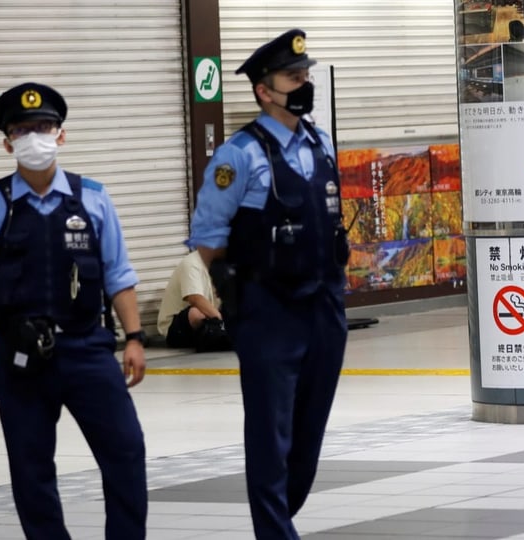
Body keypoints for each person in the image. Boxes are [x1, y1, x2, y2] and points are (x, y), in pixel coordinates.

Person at [0, 82, 148, 539]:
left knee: (125, 450)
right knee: (31, 467)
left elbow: (119, 274)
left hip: (86, 349)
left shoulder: (94, 198)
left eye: (43, 127)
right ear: (7, 143)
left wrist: (134, 338)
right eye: (22, 130)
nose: (34, 138)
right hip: (18, 359)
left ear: (60, 135)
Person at [187, 29, 350, 539]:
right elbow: (208, 238)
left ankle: (281, 516)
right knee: (270, 433)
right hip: (269, 310)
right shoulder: (239, 155)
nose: (304, 84)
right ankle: (276, 532)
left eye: (306, 75)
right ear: (264, 89)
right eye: (293, 77)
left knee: (308, 433)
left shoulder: (320, 141)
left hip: (324, 305)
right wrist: (238, 297)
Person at [156, 250, 230, 351]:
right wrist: (222, 322)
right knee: (196, 313)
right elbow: (195, 298)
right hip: (176, 329)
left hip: (211, 320)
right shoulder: (192, 263)